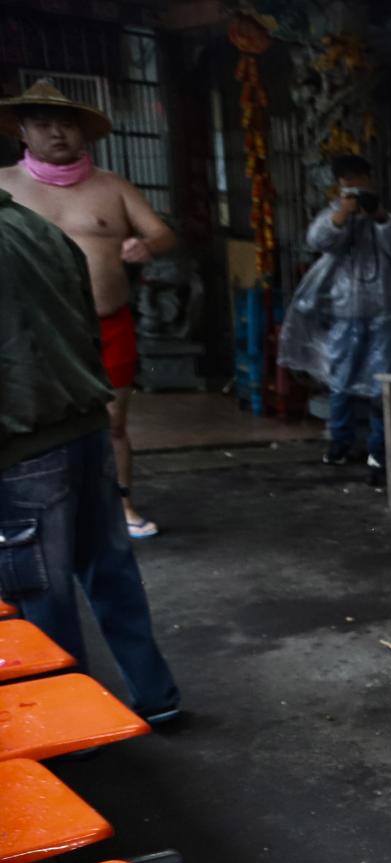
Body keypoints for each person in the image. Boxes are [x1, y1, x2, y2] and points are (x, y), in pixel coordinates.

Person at [0, 185, 180, 722]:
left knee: (40, 599)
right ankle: (157, 697)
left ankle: (67, 725)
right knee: (110, 571)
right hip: (82, 425)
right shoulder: (41, 231)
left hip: (23, 440)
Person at [0, 80, 176, 539]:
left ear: (84, 133)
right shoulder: (3, 185)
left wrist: (146, 245)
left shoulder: (112, 186)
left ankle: (121, 504)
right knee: (29, 423)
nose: (57, 133)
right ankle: (27, 512)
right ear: (23, 131)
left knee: (113, 421)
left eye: (66, 124)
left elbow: (163, 234)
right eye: (43, 125)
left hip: (107, 322)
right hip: (28, 332)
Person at [306, 154, 391, 479]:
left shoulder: (382, 218)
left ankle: (380, 449)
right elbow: (318, 241)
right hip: (344, 310)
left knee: (383, 382)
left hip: (383, 312)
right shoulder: (333, 216)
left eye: (359, 179)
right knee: (341, 379)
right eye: (347, 181)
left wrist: (378, 215)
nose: (354, 186)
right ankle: (340, 442)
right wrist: (342, 214)